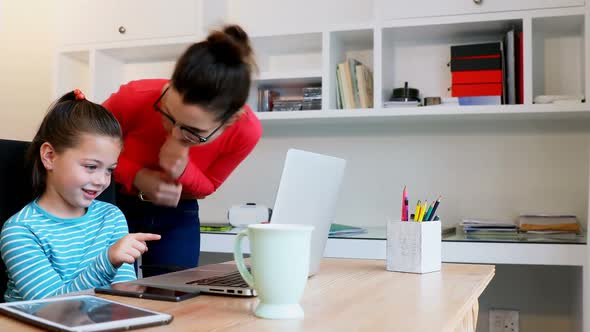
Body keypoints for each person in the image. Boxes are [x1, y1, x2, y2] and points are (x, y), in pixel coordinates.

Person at [102, 25, 263, 276]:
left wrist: (183, 169)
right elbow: (83, 149)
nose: (174, 134)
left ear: (229, 121)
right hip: (113, 203)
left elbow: (209, 186)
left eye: (192, 130)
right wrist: (137, 176)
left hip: (178, 214)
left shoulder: (246, 131)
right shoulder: (135, 96)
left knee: (175, 292)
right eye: (167, 114)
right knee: (110, 288)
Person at [0, 90, 161, 302]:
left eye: (109, 170)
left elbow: (123, 295)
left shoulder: (111, 217)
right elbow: (50, 306)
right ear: (49, 156)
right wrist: (108, 260)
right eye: (91, 166)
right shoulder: (21, 230)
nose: (102, 180)